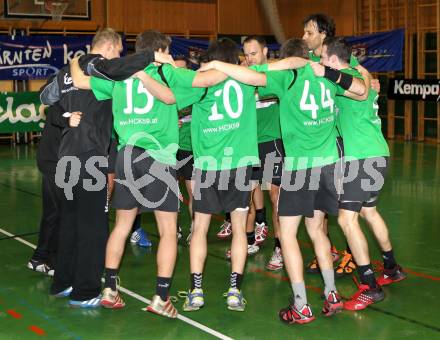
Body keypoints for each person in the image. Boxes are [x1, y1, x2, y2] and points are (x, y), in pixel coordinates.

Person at [199, 37, 366, 323]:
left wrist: (219, 65)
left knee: (287, 235)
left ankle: (301, 304)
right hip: (329, 165)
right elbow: (361, 90)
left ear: (286, 59)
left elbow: (252, 75)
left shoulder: (288, 78)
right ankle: (331, 293)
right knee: (317, 232)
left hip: (301, 167)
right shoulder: (326, 76)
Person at [317, 37, 406, 310]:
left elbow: (357, 90)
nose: (319, 62)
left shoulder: (343, 80)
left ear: (333, 60)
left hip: (362, 159)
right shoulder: (360, 73)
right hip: (379, 154)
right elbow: (364, 82)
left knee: (346, 220)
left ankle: (370, 286)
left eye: (322, 58)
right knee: (369, 212)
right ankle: (391, 267)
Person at [39, 28, 124, 308]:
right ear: (109, 47)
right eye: (119, 49)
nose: (120, 54)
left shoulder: (66, 70)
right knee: (93, 227)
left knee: (69, 222)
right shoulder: (105, 70)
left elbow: (45, 99)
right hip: (90, 157)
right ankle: (86, 290)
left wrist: (65, 116)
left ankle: (62, 282)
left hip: (66, 158)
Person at [27, 102, 65, 276]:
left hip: (54, 159)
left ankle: (40, 257)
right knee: (58, 212)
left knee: (53, 212)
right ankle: (51, 261)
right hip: (53, 161)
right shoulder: (65, 97)